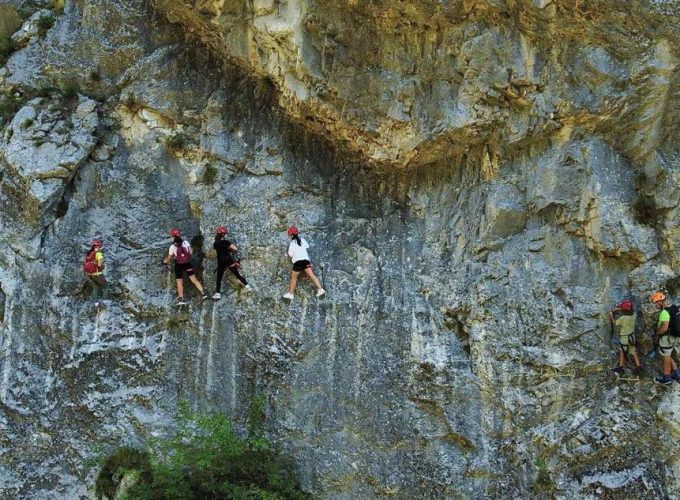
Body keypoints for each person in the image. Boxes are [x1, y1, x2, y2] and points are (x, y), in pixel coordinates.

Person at [163, 228, 208, 305]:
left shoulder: (172, 247)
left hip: (178, 266)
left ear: (172, 237)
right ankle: (203, 294)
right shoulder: (186, 242)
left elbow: (169, 259)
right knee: (194, 279)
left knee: (179, 282)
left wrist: (165, 261)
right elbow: (191, 252)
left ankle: (181, 299)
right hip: (187, 264)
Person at [283, 226, 325, 300]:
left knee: (294, 278)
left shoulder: (292, 244)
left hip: (298, 263)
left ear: (291, 235)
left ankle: (290, 293)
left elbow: (290, 254)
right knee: (312, 275)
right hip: (306, 261)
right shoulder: (302, 240)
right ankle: (320, 289)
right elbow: (307, 246)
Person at [212, 226, 252, 300]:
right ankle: (248, 286)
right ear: (224, 234)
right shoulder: (226, 242)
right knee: (237, 274)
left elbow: (218, 250)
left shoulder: (215, 243)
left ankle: (218, 294)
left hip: (221, 261)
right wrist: (229, 249)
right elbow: (235, 249)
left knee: (219, 278)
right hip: (228, 260)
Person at [650, 291, 680, 385]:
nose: (655, 305)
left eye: (656, 303)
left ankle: (666, 377)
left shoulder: (664, 312)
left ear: (660, 302)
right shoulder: (673, 308)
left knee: (666, 356)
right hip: (675, 336)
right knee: (668, 353)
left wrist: (657, 333)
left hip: (666, 337)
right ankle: (676, 373)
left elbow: (665, 327)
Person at [608, 299, 641, 375]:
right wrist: (618, 309)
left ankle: (620, 367)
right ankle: (639, 367)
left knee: (622, 351)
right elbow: (628, 310)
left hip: (624, 338)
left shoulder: (623, 318)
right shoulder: (634, 315)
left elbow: (615, 323)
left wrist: (611, 315)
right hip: (632, 337)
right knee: (634, 352)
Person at [83, 239, 108, 307]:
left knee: (95, 287)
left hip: (90, 274)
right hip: (97, 274)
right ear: (98, 246)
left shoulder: (89, 254)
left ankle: (95, 303)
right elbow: (99, 265)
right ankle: (105, 301)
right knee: (106, 286)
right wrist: (101, 263)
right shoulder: (98, 254)